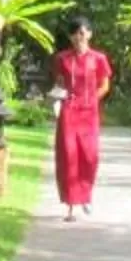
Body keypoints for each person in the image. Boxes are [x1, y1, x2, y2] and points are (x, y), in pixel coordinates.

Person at [49, 17, 112, 219]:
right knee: (68, 156)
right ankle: (69, 205)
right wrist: (57, 100)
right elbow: (60, 83)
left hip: (89, 113)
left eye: (83, 33)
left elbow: (105, 85)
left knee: (89, 156)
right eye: (75, 34)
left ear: (90, 34)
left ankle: (86, 196)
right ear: (70, 36)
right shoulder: (62, 59)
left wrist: (93, 99)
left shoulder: (98, 58)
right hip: (69, 111)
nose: (79, 38)